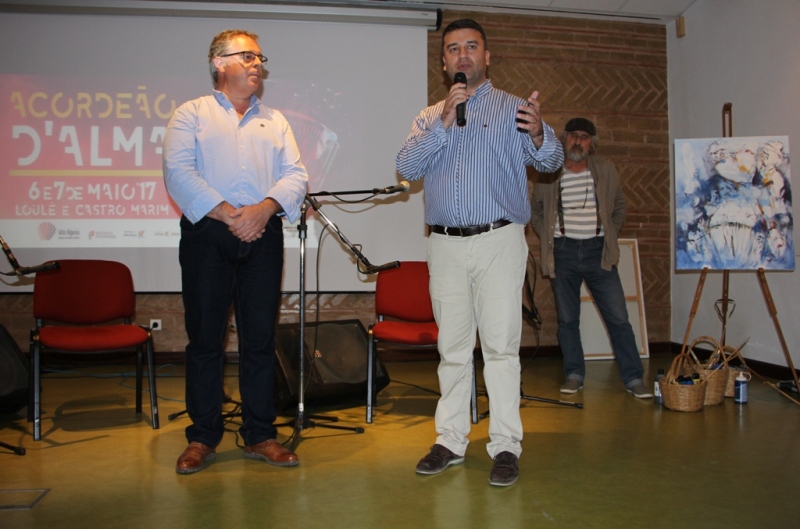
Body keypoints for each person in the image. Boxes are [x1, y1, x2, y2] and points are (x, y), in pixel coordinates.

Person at [396, 19, 564, 487]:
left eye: (472, 46)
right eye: (454, 48)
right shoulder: (430, 116)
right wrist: (444, 124)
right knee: (452, 349)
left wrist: (539, 135)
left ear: (487, 57)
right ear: (443, 62)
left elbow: (551, 162)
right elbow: (406, 167)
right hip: (445, 244)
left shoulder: (515, 109)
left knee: (500, 348)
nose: (463, 55)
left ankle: (506, 445)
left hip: (498, 241)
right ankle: (450, 440)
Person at [163, 29, 308, 474]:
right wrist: (230, 215)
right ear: (218, 63)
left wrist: (263, 210)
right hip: (208, 235)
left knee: (260, 340)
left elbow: (296, 175)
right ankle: (202, 437)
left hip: (263, 235)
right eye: (246, 56)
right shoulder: (191, 114)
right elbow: (178, 172)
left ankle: (260, 434)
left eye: (259, 57)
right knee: (205, 340)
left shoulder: (276, 120)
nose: (256, 64)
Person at [530, 118, 652, 399]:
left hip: (599, 252)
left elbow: (619, 206)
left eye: (584, 137)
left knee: (619, 318)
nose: (578, 141)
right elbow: (537, 210)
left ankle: (634, 378)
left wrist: (610, 232)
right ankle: (574, 375)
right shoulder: (550, 171)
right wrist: (549, 236)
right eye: (573, 135)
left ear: (592, 144)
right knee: (568, 320)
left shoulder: (605, 170)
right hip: (563, 253)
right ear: (564, 139)